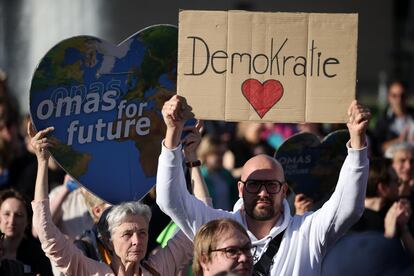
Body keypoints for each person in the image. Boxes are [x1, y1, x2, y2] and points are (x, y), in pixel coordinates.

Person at [156, 95, 370, 276]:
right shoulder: (217, 226)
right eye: (254, 184)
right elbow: (170, 200)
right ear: (240, 188)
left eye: (272, 185)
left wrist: (357, 142)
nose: (263, 192)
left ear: (284, 189)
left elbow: (348, 207)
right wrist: (172, 134)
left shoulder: (307, 231)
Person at [29, 122, 194, 275]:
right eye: (127, 234)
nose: (137, 241)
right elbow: (46, 232)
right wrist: (42, 162)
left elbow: (197, 225)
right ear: (108, 241)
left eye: (142, 233)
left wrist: (191, 158)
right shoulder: (91, 271)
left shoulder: (157, 269)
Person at [0, 189, 52, 275]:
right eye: (6, 214)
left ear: (27, 221)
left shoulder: (37, 255)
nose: (12, 221)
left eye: (18, 215)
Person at [374, 80, 414, 154]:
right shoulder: (383, 120)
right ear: (389, 97)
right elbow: (377, 148)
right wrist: (399, 140)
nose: (399, 100)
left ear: (407, 96)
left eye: (402, 96)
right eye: (394, 96)